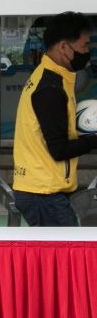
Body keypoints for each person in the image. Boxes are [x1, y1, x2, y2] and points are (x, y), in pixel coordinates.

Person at [12, 11, 97, 226]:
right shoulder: (50, 88)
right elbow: (59, 149)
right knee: (66, 257)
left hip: (43, 189)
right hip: (42, 193)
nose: (88, 51)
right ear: (63, 47)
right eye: (84, 45)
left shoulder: (52, 78)